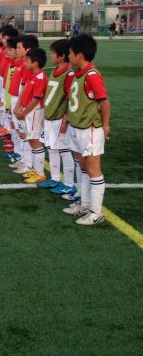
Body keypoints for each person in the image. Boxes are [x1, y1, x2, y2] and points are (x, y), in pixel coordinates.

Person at [63, 34, 110, 226]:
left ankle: (96, 212)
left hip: (89, 128)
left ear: (80, 55)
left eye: (71, 53)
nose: (68, 56)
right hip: (76, 126)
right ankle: (85, 203)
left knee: (93, 168)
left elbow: (104, 101)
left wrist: (105, 124)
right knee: (81, 165)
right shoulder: (77, 73)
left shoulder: (91, 75)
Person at [39, 39, 77, 196]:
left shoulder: (69, 74)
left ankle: (69, 184)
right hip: (49, 117)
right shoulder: (53, 71)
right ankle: (55, 178)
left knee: (64, 150)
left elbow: (70, 98)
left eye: (53, 53)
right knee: (51, 148)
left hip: (59, 118)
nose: (51, 55)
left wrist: (66, 119)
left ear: (62, 56)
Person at [14, 47, 48, 184]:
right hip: (27, 112)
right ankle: (35, 170)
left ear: (36, 63)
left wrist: (24, 112)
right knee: (31, 140)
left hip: (34, 113)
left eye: (27, 60)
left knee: (35, 141)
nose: (25, 63)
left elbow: (36, 99)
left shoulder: (40, 77)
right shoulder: (31, 74)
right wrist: (18, 107)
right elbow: (25, 93)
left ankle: (40, 173)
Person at [7, 35, 39, 176]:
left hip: (26, 106)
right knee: (20, 131)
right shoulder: (21, 64)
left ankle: (28, 163)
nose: (17, 50)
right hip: (17, 101)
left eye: (19, 47)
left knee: (26, 133)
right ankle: (22, 158)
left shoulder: (27, 67)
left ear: (28, 49)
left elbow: (26, 90)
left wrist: (21, 106)